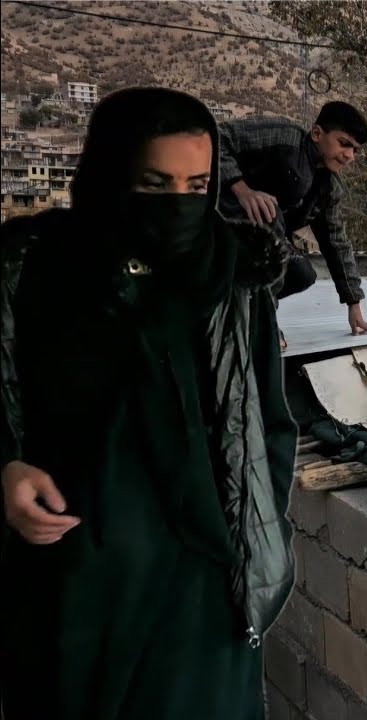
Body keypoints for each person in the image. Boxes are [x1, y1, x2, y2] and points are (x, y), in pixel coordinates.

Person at [0, 87, 297, 719]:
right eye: (154, 184)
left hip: (203, 595)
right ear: (108, 174)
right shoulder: (37, 271)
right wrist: (6, 467)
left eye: (196, 187)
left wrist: (255, 535)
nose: (178, 207)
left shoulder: (233, 281)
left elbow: (271, 424)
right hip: (73, 588)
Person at [217, 100, 367, 346]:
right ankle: (262, 324)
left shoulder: (327, 187)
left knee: (302, 273)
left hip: (263, 246)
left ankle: (235, 307)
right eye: (344, 144)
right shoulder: (283, 137)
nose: (349, 156)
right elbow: (216, 138)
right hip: (221, 222)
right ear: (317, 133)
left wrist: (354, 304)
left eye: (355, 150)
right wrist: (243, 190)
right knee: (270, 216)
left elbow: (336, 243)